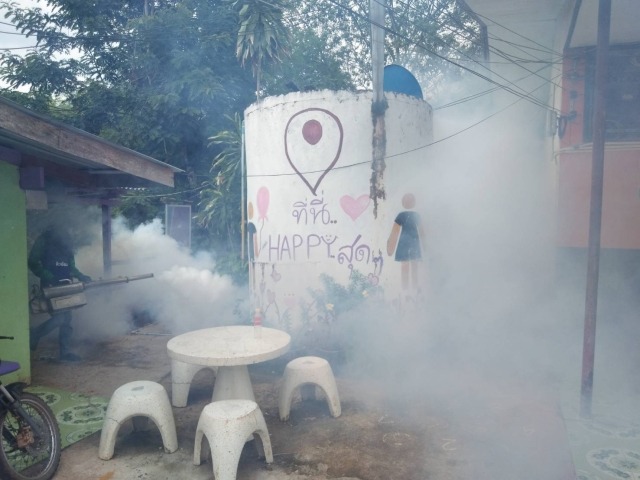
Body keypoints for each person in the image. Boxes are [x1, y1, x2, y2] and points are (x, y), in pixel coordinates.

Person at [28, 226, 91, 362]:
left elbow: (71, 266)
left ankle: (65, 353)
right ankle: (35, 334)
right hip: (50, 286)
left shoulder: (67, 240)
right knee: (61, 318)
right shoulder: (44, 240)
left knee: (66, 319)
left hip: (66, 285)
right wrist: (47, 275)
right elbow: (32, 262)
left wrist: (81, 275)